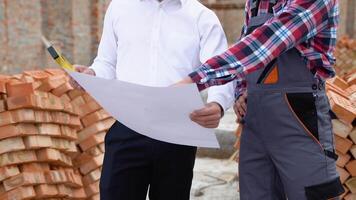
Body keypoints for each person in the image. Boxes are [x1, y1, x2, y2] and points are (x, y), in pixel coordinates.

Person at [175, 0, 344, 199]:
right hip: (256, 124)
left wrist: (194, 81)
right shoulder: (255, 2)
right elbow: (245, 48)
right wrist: (242, 90)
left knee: (310, 194)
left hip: (300, 121)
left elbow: (264, 44)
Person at [71, 0, 234, 199]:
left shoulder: (202, 17)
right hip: (128, 127)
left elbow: (222, 69)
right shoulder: (119, 7)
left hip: (177, 135)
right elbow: (107, 61)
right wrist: (93, 72)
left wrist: (218, 103)